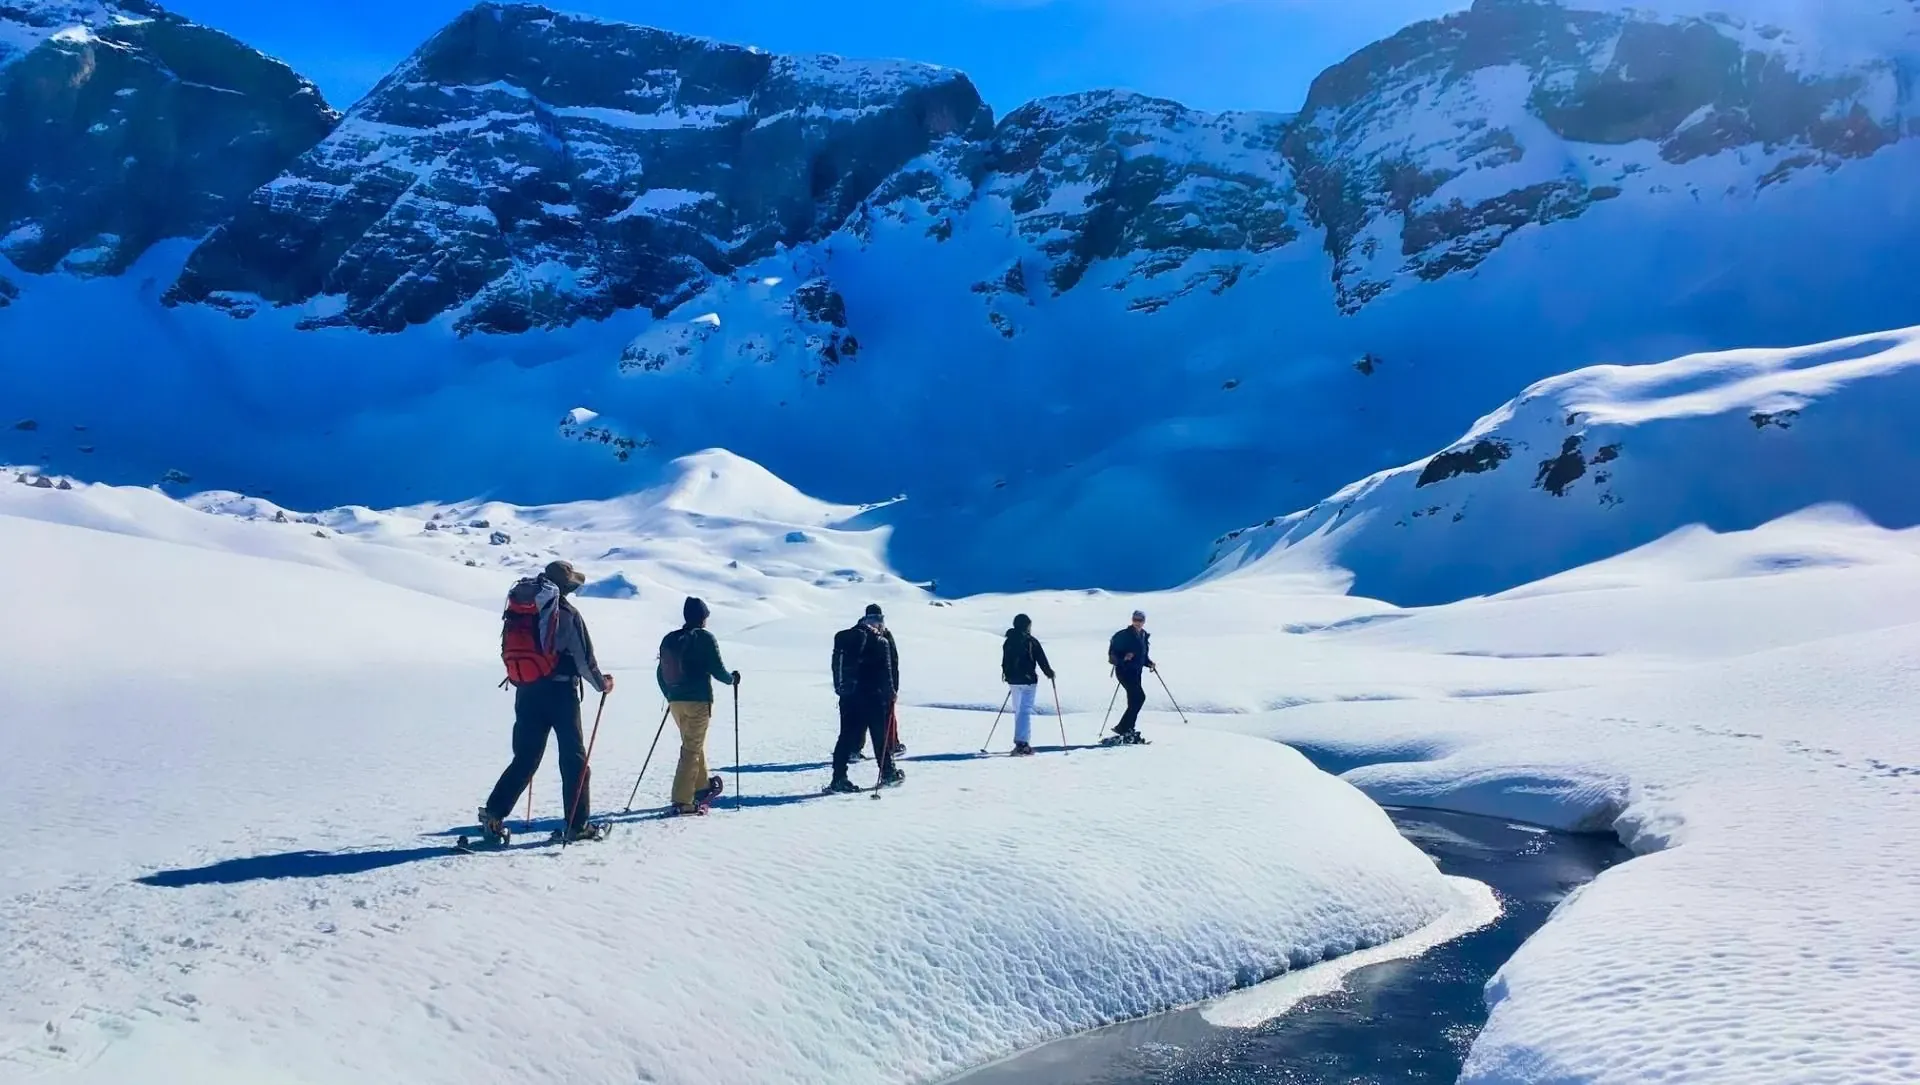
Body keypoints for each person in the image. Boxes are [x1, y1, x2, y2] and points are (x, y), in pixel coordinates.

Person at [481, 561, 613, 842]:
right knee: (574, 760)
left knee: (525, 757)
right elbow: (584, 660)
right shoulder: (566, 614)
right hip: (561, 694)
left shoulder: (521, 609)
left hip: (527, 690)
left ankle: (494, 812)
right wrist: (603, 684)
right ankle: (577, 825)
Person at [658, 596, 740, 816]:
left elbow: (660, 673)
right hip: (698, 701)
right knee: (691, 748)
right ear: (703, 617)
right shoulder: (704, 638)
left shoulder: (670, 639)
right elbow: (718, 669)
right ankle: (682, 801)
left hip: (676, 702)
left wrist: (670, 694)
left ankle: (702, 786)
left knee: (692, 742)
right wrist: (732, 680)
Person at [827, 604, 902, 793]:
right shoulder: (880, 642)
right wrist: (891, 694)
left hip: (849, 697)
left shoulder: (849, 638)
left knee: (845, 737)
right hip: (873, 697)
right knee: (879, 736)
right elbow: (886, 673)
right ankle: (888, 773)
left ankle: (838, 778)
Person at [1001, 613, 1055, 756]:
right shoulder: (1030, 641)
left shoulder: (1009, 640)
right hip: (1028, 681)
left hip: (1013, 681)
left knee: (1018, 710)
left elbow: (1005, 660)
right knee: (1025, 710)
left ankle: (1020, 742)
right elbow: (1042, 660)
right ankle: (1022, 744)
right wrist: (1050, 673)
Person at [1106, 609, 1154, 744]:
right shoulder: (1123, 635)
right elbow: (1112, 655)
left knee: (1134, 700)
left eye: (1140, 620)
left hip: (1136, 672)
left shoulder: (1143, 636)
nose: (1137, 622)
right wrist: (1123, 657)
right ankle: (1123, 728)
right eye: (1135, 619)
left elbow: (1142, 656)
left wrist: (1149, 663)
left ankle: (1129, 729)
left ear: (1144, 621)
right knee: (1139, 697)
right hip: (1124, 671)